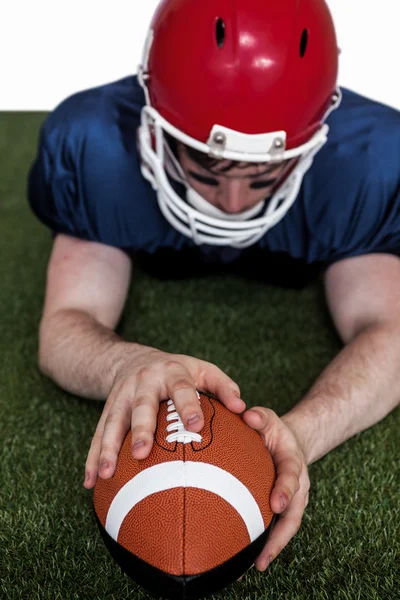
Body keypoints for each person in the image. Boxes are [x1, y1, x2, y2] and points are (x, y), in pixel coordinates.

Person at [28, 0, 400, 574]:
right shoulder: (95, 144)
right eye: (204, 169)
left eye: (262, 174)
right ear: (153, 122)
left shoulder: (367, 162)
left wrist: (300, 433)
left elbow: (390, 333)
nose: (231, 204)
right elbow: (66, 322)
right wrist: (126, 363)